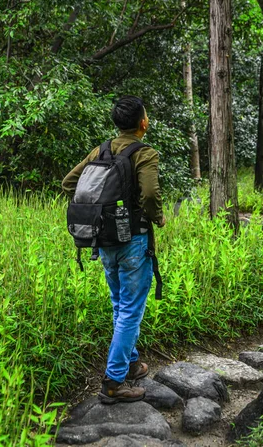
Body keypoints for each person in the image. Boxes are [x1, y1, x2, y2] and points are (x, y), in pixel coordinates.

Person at [62, 96, 165, 404]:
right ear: (143, 123)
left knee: (120, 303)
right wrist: (157, 215)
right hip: (134, 240)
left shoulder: (101, 150)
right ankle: (113, 381)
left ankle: (132, 364)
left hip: (103, 240)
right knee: (131, 309)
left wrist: (100, 207)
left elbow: (70, 182)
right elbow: (149, 193)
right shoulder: (145, 153)